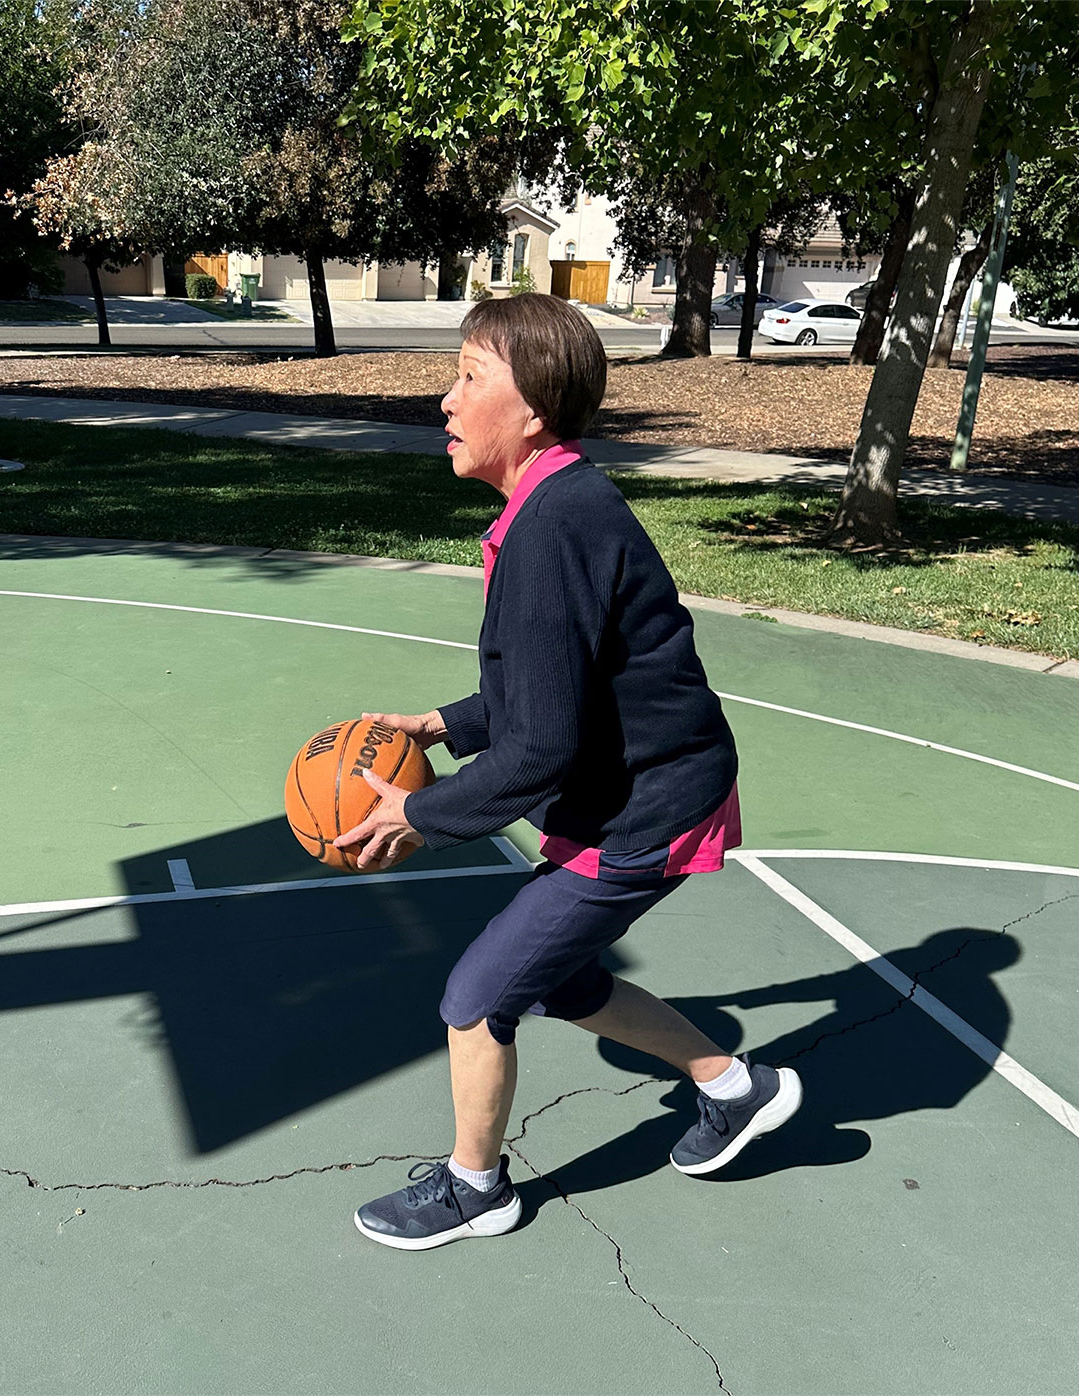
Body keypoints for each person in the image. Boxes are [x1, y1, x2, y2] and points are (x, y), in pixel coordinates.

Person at [333, 293, 802, 1252]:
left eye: (470, 377)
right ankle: (732, 1084)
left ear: (534, 407)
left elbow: (542, 747)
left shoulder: (555, 526)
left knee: (479, 996)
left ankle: (476, 1190)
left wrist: (424, 812)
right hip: (639, 784)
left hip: (651, 802)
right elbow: (557, 686)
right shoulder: (554, 500)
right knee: (562, 978)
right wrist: (444, 722)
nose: (446, 401)